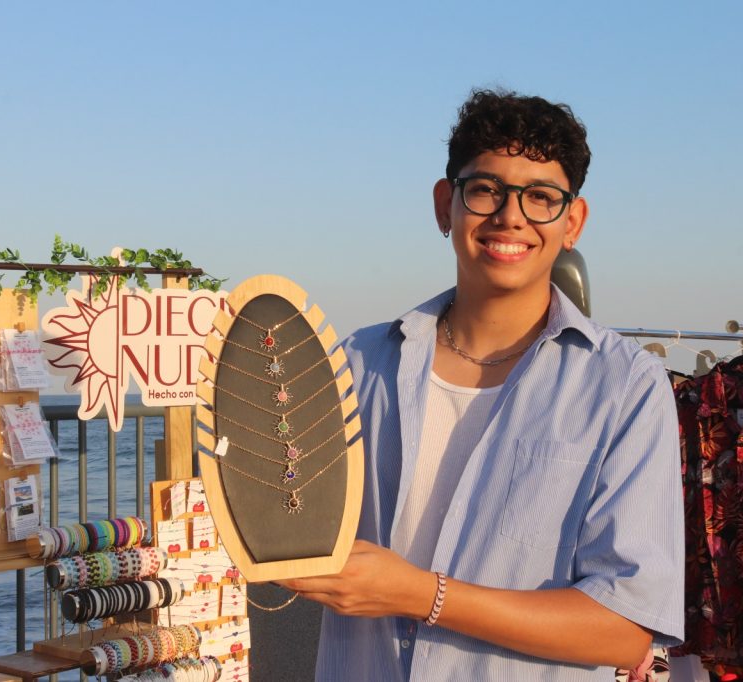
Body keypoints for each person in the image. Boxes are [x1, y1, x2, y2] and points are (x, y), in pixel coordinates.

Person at [280, 89, 684, 680]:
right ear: (445, 205)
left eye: (540, 197)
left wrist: (420, 594)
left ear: (572, 222)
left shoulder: (625, 387)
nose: (511, 216)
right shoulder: (359, 363)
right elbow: (289, 508)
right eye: (486, 189)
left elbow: (625, 630)